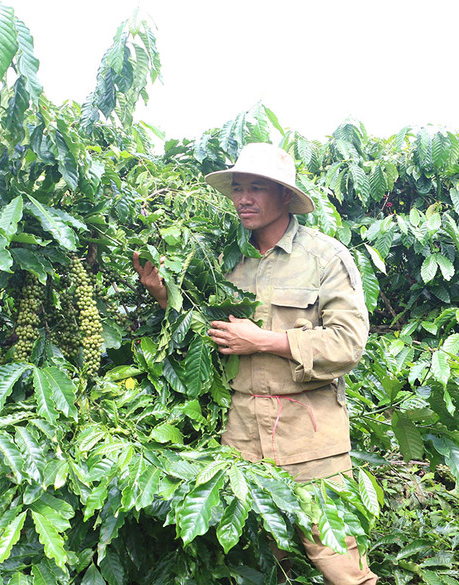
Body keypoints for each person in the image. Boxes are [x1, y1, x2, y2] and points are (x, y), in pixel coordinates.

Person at [132, 142, 377, 584]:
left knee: (342, 566)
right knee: (264, 563)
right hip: (241, 432)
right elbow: (208, 329)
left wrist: (265, 341)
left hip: (310, 436)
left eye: (257, 188)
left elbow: (348, 344)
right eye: (239, 188)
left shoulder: (326, 257)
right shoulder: (225, 257)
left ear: (285, 196)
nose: (244, 198)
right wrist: (166, 297)